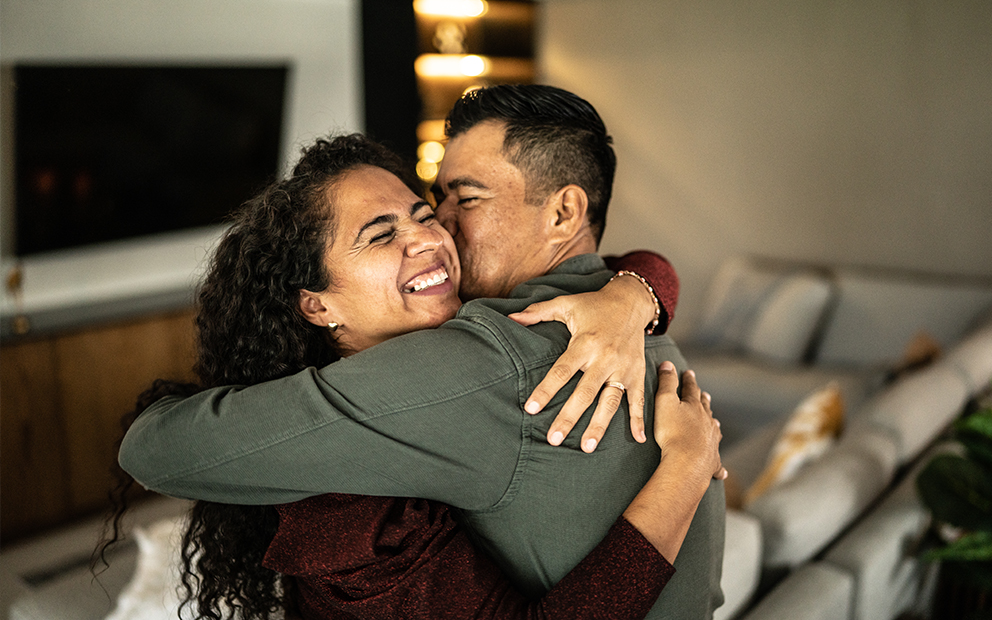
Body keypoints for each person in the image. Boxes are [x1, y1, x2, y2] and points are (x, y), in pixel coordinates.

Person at [120, 85, 727, 618]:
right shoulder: (646, 337)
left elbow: (156, 447)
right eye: (435, 199)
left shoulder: (488, 362)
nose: (439, 226)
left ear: (565, 210)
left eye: (465, 198)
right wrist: (635, 291)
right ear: (315, 303)